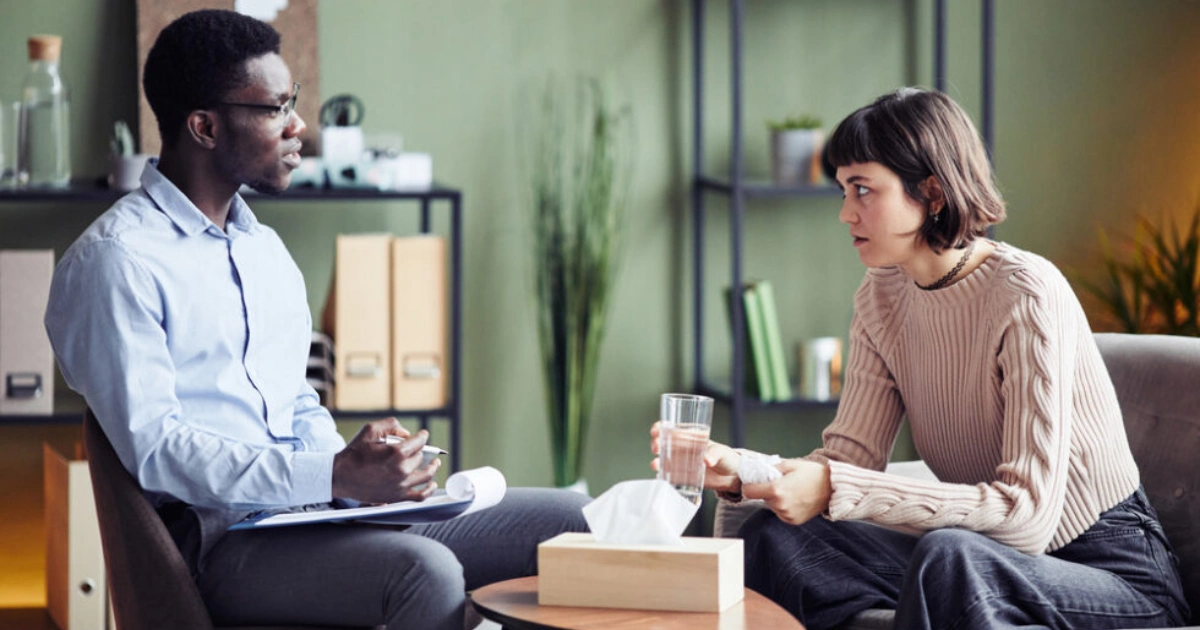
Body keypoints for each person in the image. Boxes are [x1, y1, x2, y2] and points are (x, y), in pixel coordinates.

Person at [45, 10, 588, 630]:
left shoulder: (263, 250)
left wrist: (361, 477)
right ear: (205, 127)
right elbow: (158, 450)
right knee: (425, 571)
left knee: (571, 521)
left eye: (293, 102)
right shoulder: (117, 261)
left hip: (313, 515)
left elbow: (296, 401)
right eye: (276, 108)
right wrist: (331, 473)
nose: (299, 125)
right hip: (224, 544)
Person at [652, 88, 1190, 629]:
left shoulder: (1026, 294)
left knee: (949, 556)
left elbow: (1026, 518)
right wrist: (745, 471)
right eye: (843, 189)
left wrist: (836, 487)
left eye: (863, 189)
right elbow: (849, 459)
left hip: (1112, 574)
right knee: (774, 536)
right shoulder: (880, 296)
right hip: (985, 559)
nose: (845, 213)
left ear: (931, 192)